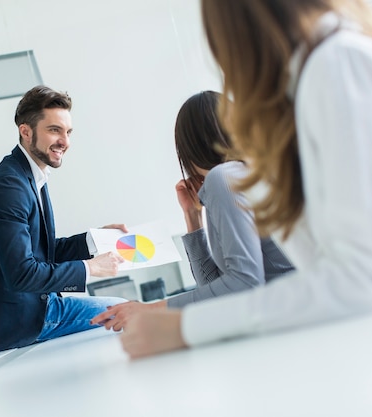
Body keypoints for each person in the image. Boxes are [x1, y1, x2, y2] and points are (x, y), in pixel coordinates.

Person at [118, 0, 372, 358]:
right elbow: (329, 270)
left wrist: (185, 325)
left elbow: (367, 280)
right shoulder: (316, 84)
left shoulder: (338, 65)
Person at [90, 91, 294, 331]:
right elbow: (212, 286)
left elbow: (245, 283)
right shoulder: (242, 175)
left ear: (190, 147)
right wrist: (192, 217)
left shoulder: (223, 178)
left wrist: (150, 309)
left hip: (291, 319)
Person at [0, 85, 127, 354]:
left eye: (68, 132)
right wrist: (91, 268)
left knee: (123, 311)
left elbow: (43, 253)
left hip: (38, 309)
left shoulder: (28, 178)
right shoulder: (8, 186)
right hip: (24, 321)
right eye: (54, 130)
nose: (65, 141)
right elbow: (22, 274)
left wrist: (95, 240)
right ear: (26, 131)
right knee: (125, 312)